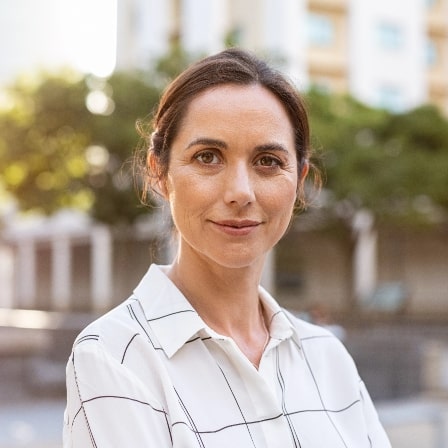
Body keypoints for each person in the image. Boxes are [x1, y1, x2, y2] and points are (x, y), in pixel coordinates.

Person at [64, 48, 391, 447]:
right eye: (207, 157)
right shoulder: (114, 357)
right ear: (159, 172)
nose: (240, 192)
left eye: (268, 161)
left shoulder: (327, 356)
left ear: (299, 178)